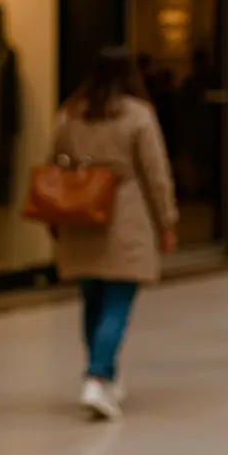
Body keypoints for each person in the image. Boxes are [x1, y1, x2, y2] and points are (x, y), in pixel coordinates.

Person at [50, 47, 177, 421]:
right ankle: (97, 375)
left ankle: (105, 373)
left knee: (92, 299)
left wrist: (55, 215)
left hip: (81, 214)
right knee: (118, 300)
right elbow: (155, 172)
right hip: (126, 214)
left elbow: (52, 161)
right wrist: (166, 221)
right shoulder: (138, 115)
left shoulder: (70, 114)